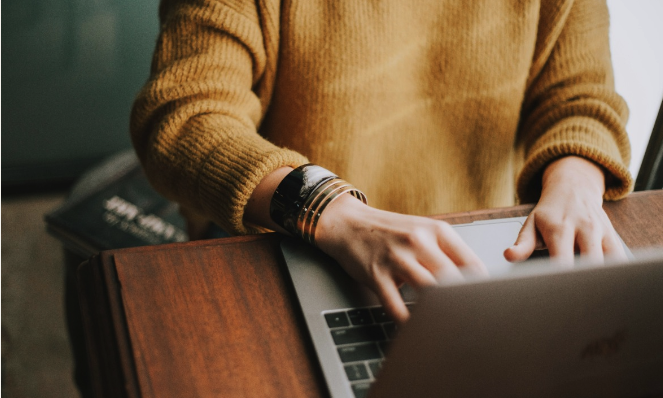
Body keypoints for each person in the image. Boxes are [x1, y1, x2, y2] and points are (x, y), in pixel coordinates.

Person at [130, 0, 632, 324]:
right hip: (288, 246)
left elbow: (580, 97)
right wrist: (335, 213)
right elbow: (185, 117)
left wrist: (576, 184)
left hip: (476, 260)